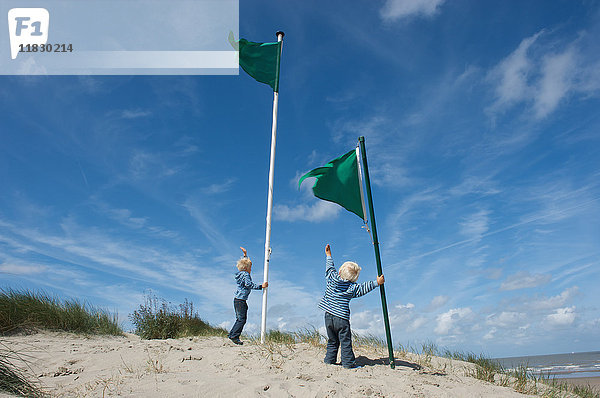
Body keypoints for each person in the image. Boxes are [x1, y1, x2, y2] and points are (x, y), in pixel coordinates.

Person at [319, 243, 384, 368]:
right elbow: (363, 288)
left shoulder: (331, 278)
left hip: (328, 316)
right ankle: (348, 363)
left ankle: (329, 360)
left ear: (339, 271)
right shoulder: (352, 287)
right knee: (345, 341)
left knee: (332, 340)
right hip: (341, 319)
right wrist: (377, 282)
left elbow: (329, 268)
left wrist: (328, 255)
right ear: (354, 279)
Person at [228, 246, 267, 345]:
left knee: (239, 318)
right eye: (250, 267)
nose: (251, 269)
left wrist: (245, 255)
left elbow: (244, 263)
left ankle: (232, 334)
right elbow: (248, 284)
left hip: (238, 299)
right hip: (240, 300)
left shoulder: (240, 273)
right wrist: (261, 286)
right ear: (246, 268)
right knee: (242, 319)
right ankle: (234, 336)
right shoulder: (245, 275)